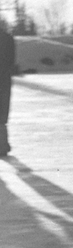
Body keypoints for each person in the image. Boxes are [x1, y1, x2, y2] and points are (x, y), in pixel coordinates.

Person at [0, 17, 15, 157]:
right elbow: (11, 60)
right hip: (4, 79)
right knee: (2, 114)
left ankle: (3, 145)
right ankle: (3, 145)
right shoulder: (8, 39)